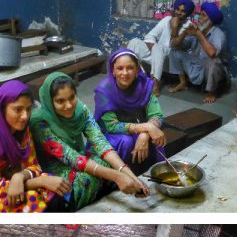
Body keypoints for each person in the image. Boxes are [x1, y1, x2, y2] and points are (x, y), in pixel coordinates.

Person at [30, 72, 149, 210]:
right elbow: (71, 157)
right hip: (57, 172)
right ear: (50, 101)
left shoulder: (80, 110)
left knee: (110, 160)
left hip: (80, 160)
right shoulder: (40, 123)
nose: (68, 105)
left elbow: (100, 142)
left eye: (72, 97)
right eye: (60, 101)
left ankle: (109, 187)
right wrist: (117, 176)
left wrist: (131, 175)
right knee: (87, 179)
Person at [93, 48, 168, 172]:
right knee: (126, 141)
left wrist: (145, 133)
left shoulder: (145, 86)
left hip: (139, 128)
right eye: (120, 68)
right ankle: (122, 177)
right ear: (113, 70)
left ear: (137, 69)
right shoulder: (104, 91)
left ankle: (156, 173)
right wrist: (147, 128)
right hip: (110, 134)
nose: (125, 73)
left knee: (156, 137)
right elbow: (112, 126)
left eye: (130, 68)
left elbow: (157, 115)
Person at [125, 0, 195, 95]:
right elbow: (150, 35)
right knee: (134, 42)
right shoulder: (167, 20)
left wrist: (174, 27)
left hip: (170, 60)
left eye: (183, 11)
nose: (179, 12)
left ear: (188, 13)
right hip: (156, 56)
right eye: (177, 9)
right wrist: (153, 48)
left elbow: (175, 46)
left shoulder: (189, 26)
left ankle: (155, 85)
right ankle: (132, 77)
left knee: (159, 48)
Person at [168, 1, 228, 103]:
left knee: (213, 61)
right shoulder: (195, 30)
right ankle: (182, 83)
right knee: (175, 51)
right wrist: (179, 31)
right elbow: (173, 45)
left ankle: (211, 92)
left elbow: (212, 54)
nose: (199, 17)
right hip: (197, 66)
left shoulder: (218, 34)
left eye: (203, 15)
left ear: (210, 21)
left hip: (212, 70)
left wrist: (199, 34)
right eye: (199, 14)